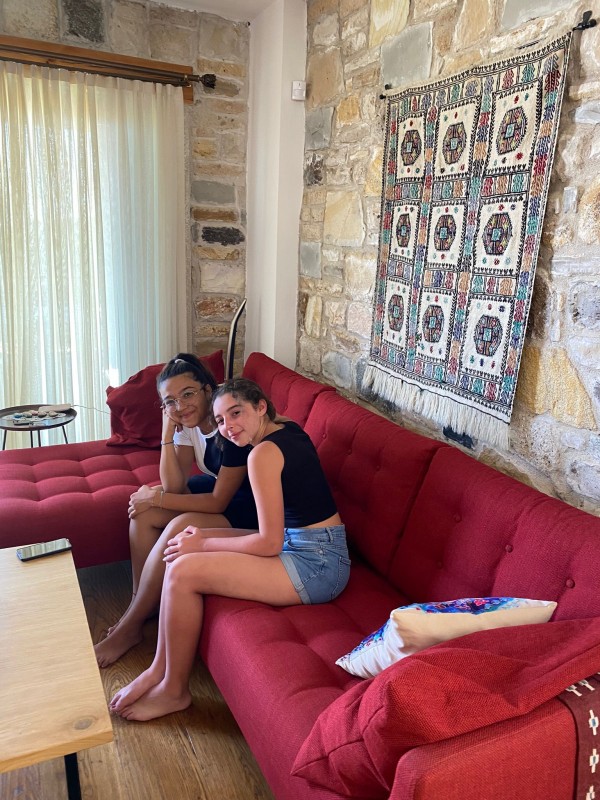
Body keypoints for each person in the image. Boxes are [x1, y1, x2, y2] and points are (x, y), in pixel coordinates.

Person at [109, 377, 350, 721]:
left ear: (261, 406)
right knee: (184, 547)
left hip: (316, 565)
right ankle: (158, 669)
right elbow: (276, 533)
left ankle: (174, 690)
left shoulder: (263, 454)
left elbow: (268, 542)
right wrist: (200, 541)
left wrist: (204, 543)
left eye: (236, 413)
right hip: (306, 544)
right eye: (221, 420)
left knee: (184, 571)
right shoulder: (287, 429)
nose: (228, 427)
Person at [94, 355, 258, 667]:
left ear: (208, 389)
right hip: (219, 491)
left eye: (188, 394)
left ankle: (131, 625)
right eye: (170, 401)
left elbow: (217, 503)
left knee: (175, 520)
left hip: (250, 505)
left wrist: (156, 499)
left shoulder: (228, 425)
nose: (180, 406)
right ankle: (140, 605)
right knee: (142, 511)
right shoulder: (187, 422)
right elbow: (175, 485)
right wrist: (167, 435)